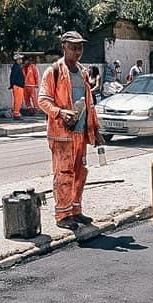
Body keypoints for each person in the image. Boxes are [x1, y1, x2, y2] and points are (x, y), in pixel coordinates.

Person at [38, 31, 103, 231]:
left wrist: (96, 130)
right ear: (64, 46)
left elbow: (89, 104)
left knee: (80, 173)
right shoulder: (54, 71)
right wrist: (60, 113)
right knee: (63, 174)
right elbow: (43, 100)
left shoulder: (83, 72)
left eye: (80, 47)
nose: (78, 51)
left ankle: (75, 210)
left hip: (80, 134)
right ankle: (62, 214)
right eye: (73, 47)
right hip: (62, 135)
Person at [9, 54, 25, 119]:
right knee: (18, 100)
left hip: (18, 86)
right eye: (20, 59)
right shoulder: (16, 67)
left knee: (18, 100)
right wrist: (12, 85)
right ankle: (16, 114)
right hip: (18, 86)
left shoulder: (17, 67)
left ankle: (16, 113)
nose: (21, 60)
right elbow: (13, 77)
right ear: (17, 60)